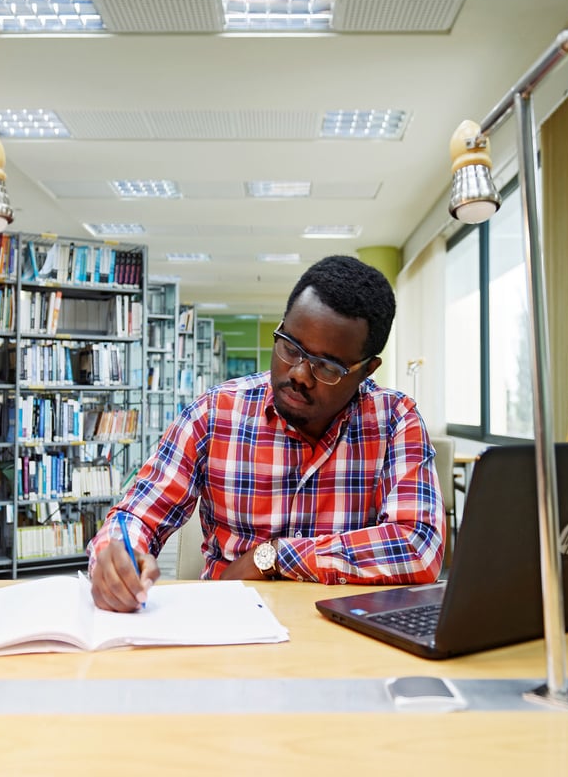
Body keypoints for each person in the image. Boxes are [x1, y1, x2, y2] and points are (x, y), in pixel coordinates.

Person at [88, 255, 444, 612]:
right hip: (228, 625)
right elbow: (136, 512)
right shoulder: (216, 413)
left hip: (344, 632)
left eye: (326, 366)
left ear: (367, 370)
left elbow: (418, 545)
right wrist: (117, 556)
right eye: (290, 347)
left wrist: (274, 556)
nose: (300, 374)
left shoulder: (395, 420)